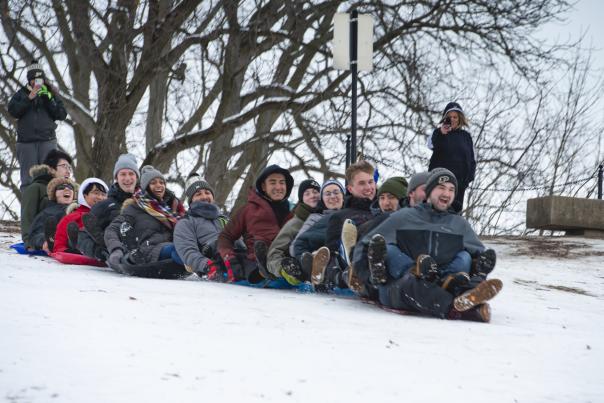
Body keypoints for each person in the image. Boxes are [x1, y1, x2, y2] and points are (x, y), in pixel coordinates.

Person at [353, 168, 501, 322]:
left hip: (447, 281)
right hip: (404, 285)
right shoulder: (404, 217)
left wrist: (479, 274)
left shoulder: (459, 225)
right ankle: (459, 308)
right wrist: (370, 279)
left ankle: (457, 288)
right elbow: (364, 246)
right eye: (441, 188)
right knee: (397, 262)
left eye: (451, 190)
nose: (447, 193)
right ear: (429, 191)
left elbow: (478, 256)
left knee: (465, 256)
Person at [217, 165, 294, 283]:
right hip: (255, 263)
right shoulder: (249, 210)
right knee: (252, 263)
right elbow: (225, 236)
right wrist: (230, 259)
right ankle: (263, 271)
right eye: (273, 183)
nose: (278, 187)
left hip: (286, 261)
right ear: (263, 186)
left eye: (282, 183)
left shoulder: (293, 213)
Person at [308, 160, 377, 290]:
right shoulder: (340, 217)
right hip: (354, 262)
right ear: (350, 189)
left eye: (370, 182)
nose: (368, 187)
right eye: (362, 183)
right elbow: (331, 254)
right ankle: (351, 266)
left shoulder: (382, 212)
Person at [105, 166, 185, 271]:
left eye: (162, 182)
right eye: (153, 183)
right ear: (146, 187)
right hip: (148, 250)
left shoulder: (168, 211)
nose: (159, 185)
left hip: (170, 248)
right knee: (181, 250)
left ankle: (199, 265)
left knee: (187, 247)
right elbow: (112, 230)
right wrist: (116, 250)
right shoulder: (134, 208)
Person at [8, 60, 67, 188]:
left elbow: (61, 114)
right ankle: (29, 207)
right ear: (29, 80)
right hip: (26, 143)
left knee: (49, 177)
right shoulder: (21, 94)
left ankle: (48, 206)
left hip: (47, 141)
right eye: (34, 79)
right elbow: (13, 111)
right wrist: (29, 97)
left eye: (39, 79)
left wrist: (49, 99)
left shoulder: (51, 93)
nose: (36, 82)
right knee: (28, 180)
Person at [77, 154, 140, 260]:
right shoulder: (104, 206)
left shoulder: (147, 202)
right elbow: (82, 236)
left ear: (137, 177)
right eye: (123, 174)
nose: (127, 178)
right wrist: (99, 252)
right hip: (117, 252)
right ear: (116, 178)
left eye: (131, 174)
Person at [266, 179, 322, 284]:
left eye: (315, 192)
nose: (312, 195)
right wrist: (283, 270)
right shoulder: (294, 224)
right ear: (301, 199)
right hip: (300, 273)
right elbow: (274, 254)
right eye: (307, 193)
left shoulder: (328, 217)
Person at [289, 179, 345, 282]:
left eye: (336, 192)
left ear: (343, 196)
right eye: (327, 194)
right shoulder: (315, 218)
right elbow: (296, 245)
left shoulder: (351, 214)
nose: (332, 196)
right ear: (322, 199)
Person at [173, 174, 228, 278]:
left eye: (207, 193)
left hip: (238, 255)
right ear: (191, 200)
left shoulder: (224, 219)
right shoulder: (186, 223)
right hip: (215, 262)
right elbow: (188, 251)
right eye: (198, 194)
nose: (204, 197)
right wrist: (208, 266)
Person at [20, 149, 74, 247]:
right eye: (64, 166)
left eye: (69, 168)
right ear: (52, 169)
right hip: (42, 238)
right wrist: (29, 242)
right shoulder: (36, 188)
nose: (68, 171)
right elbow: (27, 217)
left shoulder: (71, 191)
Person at [428, 102, 476, 213]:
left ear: (460, 119)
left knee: (454, 213)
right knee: (435, 211)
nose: (452, 119)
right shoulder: (439, 133)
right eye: (449, 117)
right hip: (439, 180)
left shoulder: (466, 137)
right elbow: (430, 144)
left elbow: (472, 159)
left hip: (459, 184)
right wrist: (441, 132)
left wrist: (468, 178)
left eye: (455, 117)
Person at [53, 178, 108, 254]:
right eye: (96, 193)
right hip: (75, 251)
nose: (100, 197)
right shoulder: (73, 217)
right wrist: (62, 250)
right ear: (84, 195)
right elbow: (60, 241)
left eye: (103, 194)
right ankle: (76, 245)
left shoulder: (109, 216)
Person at [27, 177, 77, 252]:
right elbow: (34, 235)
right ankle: (54, 241)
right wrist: (44, 241)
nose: (67, 189)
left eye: (70, 187)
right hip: (60, 241)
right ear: (54, 193)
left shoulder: (80, 209)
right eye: (61, 187)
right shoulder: (48, 212)